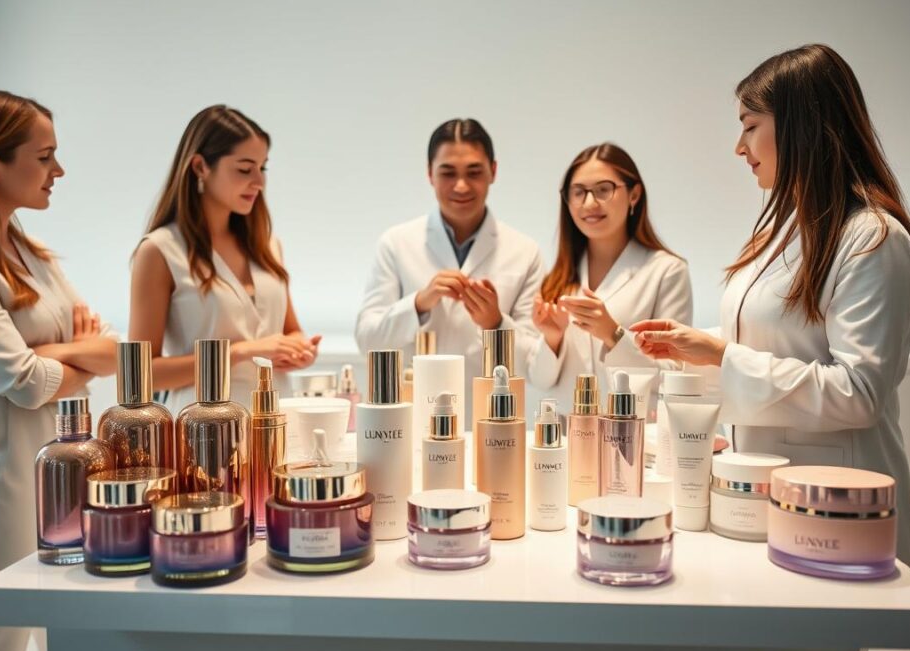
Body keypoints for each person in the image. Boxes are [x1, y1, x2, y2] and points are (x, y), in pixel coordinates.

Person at [631, 44, 910, 569]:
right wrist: (700, 349)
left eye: (750, 125)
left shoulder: (874, 240)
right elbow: (774, 341)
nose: (739, 146)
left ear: (800, 125)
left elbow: (860, 392)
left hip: (837, 505)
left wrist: (723, 356)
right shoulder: (789, 229)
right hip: (764, 490)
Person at [0, 89, 117, 651]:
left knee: (65, 631)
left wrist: (51, 355)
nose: (58, 170)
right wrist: (65, 355)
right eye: (44, 156)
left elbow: (109, 351)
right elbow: (30, 384)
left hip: (60, 469)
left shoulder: (31, 252)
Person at [130, 105, 320, 412]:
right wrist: (241, 352)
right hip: (203, 430)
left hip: (275, 418)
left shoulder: (268, 245)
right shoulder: (160, 251)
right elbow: (144, 375)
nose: (259, 181)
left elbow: (290, 330)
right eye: (245, 169)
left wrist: (299, 348)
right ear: (200, 167)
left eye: (263, 168)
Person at [355, 118, 542, 421]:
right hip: (414, 420)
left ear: (493, 171)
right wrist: (418, 304)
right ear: (430, 173)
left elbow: (535, 366)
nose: (461, 185)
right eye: (447, 172)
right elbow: (368, 342)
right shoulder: (396, 243)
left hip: (492, 422)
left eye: (474, 172)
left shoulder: (525, 251)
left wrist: (495, 323)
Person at [527, 142, 692, 405]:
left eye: (603, 190)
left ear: (634, 194)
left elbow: (674, 377)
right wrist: (552, 338)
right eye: (578, 192)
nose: (589, 202)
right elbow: (540, 380)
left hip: (632, 433)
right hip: (569, 434)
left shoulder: (666, 271)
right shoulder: (558, 278)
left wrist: (613, 334)